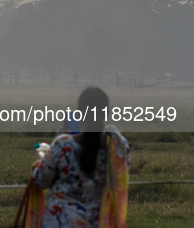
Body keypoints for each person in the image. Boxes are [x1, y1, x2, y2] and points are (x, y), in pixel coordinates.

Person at [31, 87, 130, 227]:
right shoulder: (118, 147)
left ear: (79, 112)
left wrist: (46, 156)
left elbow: (41, 181)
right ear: (106, 113)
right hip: (97, 222)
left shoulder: (63, 144)